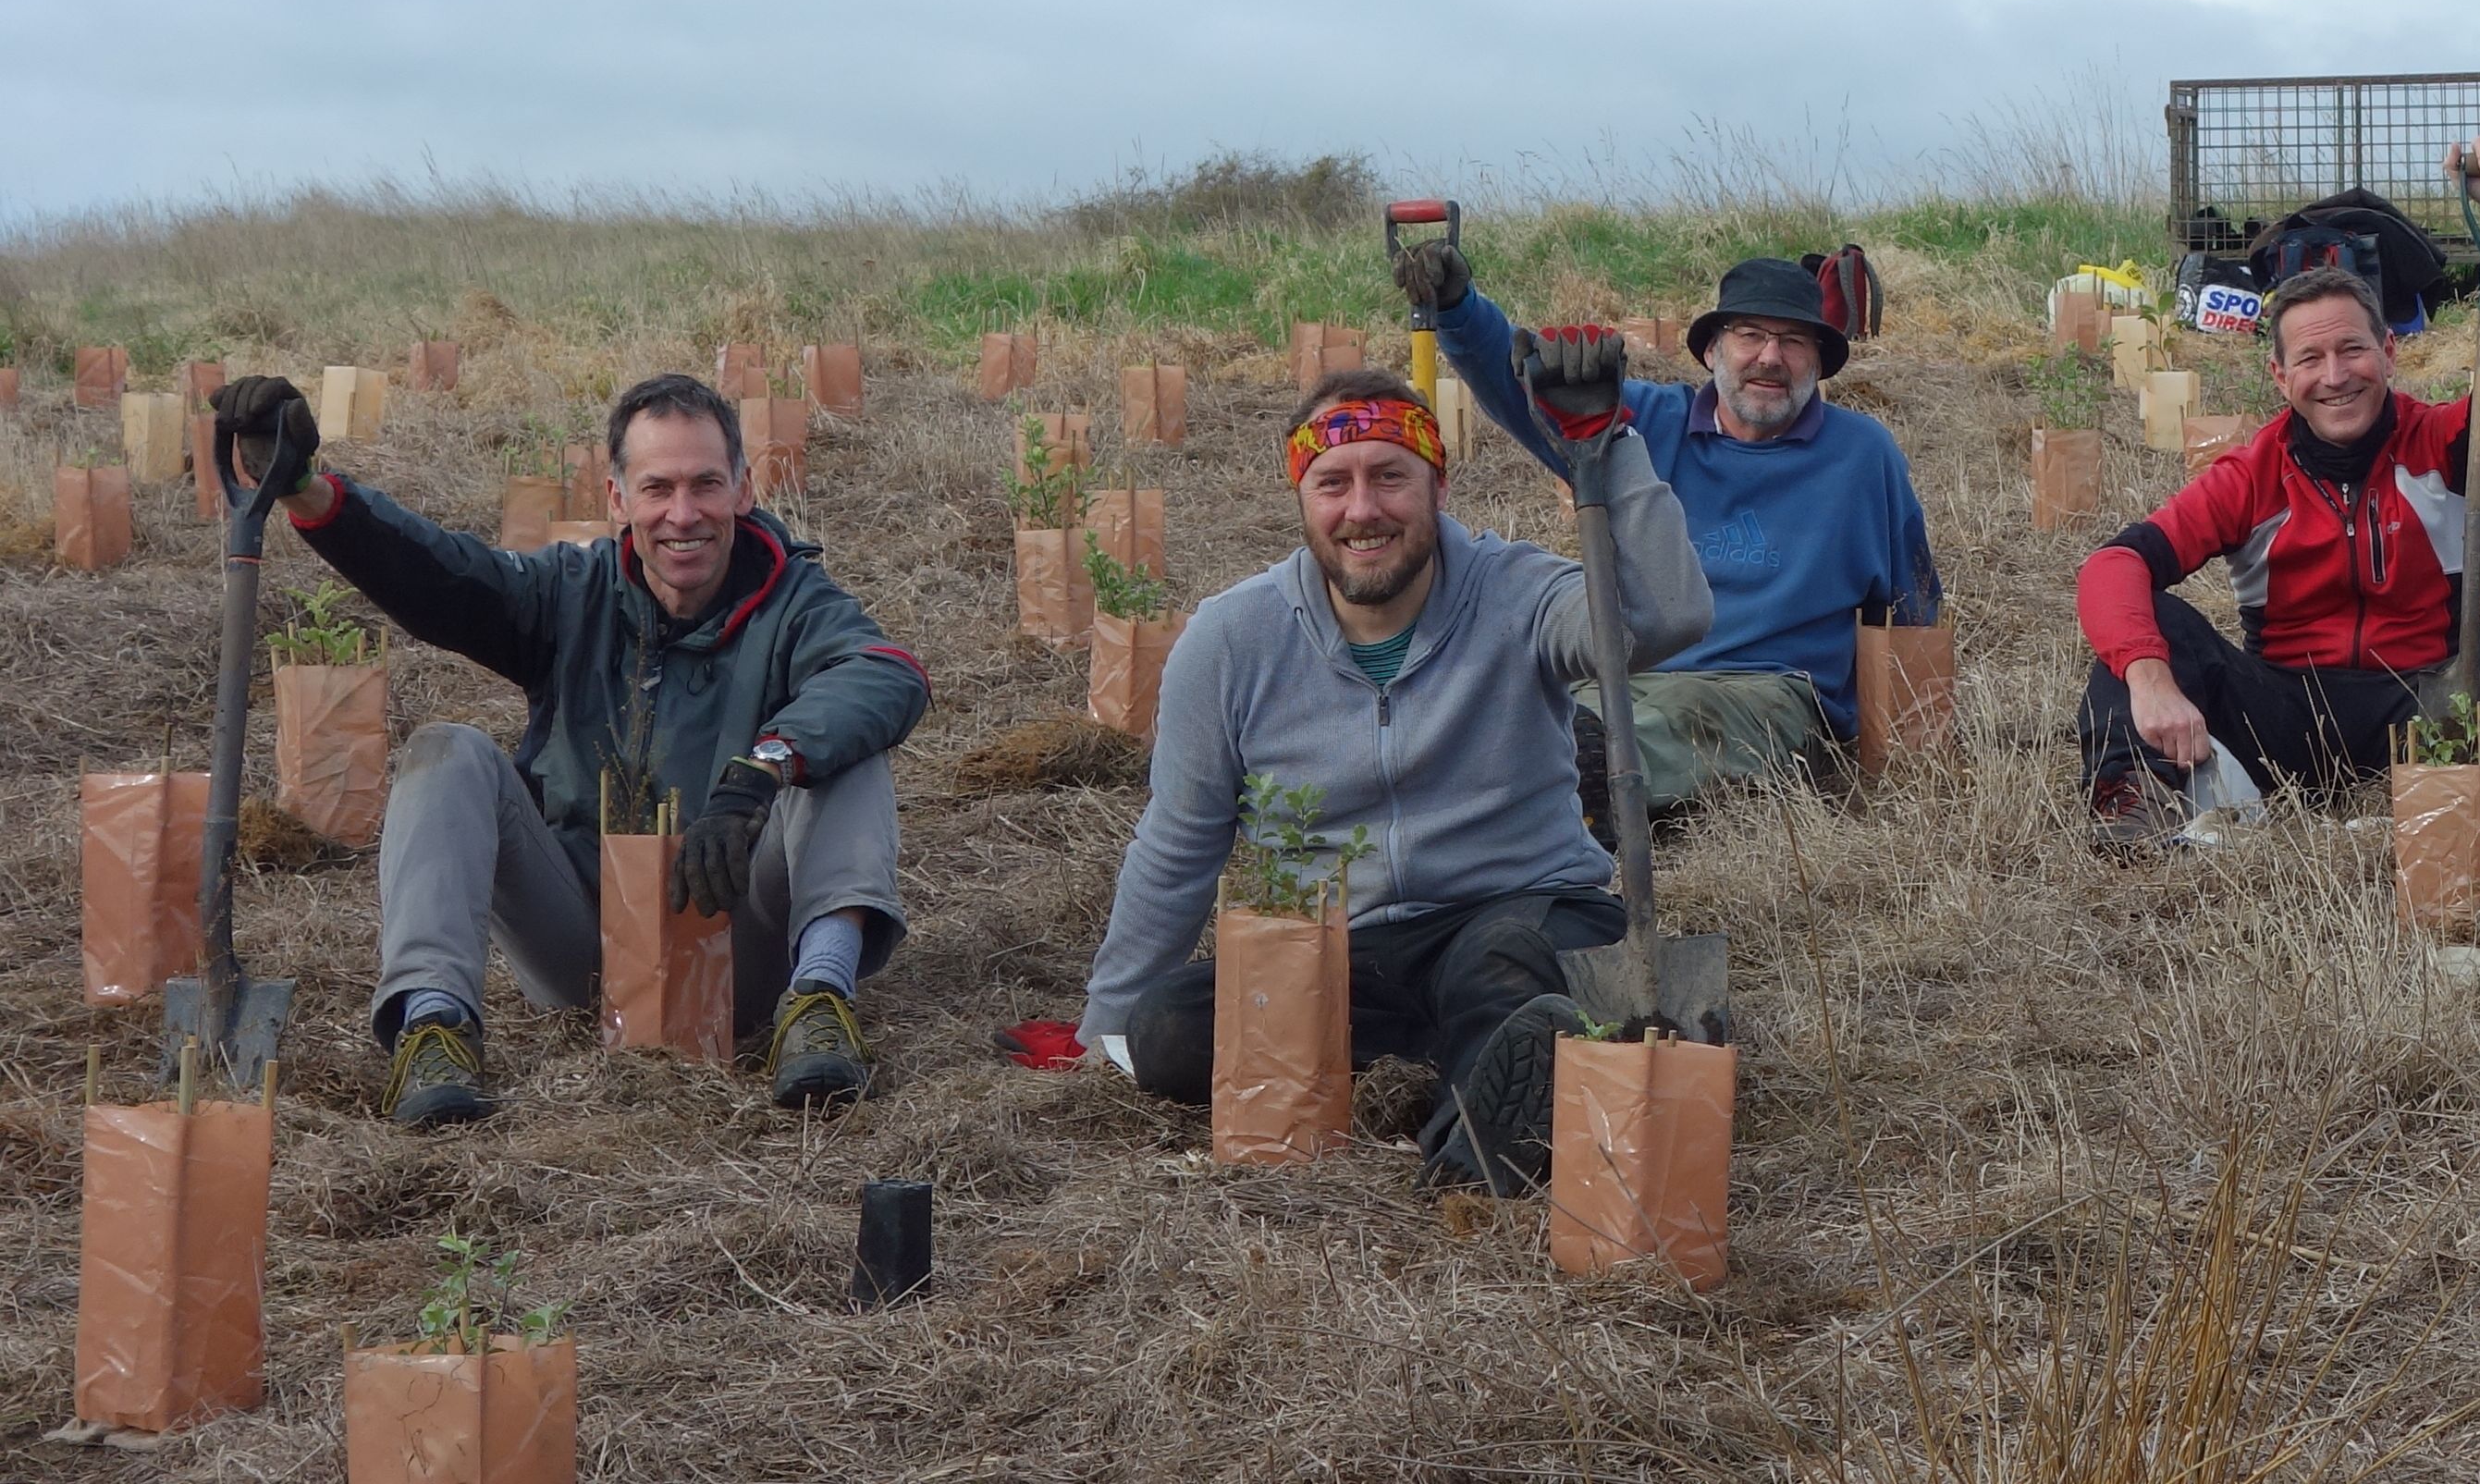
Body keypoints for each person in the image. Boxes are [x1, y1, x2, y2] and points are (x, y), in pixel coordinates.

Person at [211, 371, 927, 1126]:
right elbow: (442, 577)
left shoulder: (797, 602)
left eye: (705, 485)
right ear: (618, 501)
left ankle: (818, 1002)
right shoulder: (569, 592)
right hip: (581, 949)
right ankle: (432, 1027)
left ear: (744, 490)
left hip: (742, 952)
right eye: (656, 489)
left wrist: (760, 771)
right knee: (446, 752)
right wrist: (306, 491)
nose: (682, 515)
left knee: (843, 745)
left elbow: (887, 674)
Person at [1078, 349, 1712, 1191]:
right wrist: (1104, 1029)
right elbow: (1178, 842)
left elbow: (1667, 615)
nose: (1362, 509)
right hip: (1344, 951)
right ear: (1301, 498)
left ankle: (1481, 1144)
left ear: (1437, 487)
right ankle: (1476, 1064)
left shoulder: (1520, 593)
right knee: (1169, 1030)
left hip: (1517, 911)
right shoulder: (1230, 640)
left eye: (1390, 477)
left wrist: (1611, 443)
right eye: (1332, 482)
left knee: (1507, 969)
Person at [2071, 136, 2480, 841]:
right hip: (2283, 720)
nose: (2335, 374)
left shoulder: (2440, 446)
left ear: (2389, 352)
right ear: (2280, 380)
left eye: (2352, 348)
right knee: (2148, 632)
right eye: (2310, 358)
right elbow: (2115, 565)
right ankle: (2131, 798)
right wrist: (2148, 678)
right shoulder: (2249, 474)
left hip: (2427, 711)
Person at [1399, 248, 1939, 812]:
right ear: (1712, 350)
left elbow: (1911, 603)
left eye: (1795, 341)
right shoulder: (1644, 423)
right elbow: (1524, 386)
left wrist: (1905, 734)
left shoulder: (1861, 454)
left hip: (1768, 691)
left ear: (1819, 363)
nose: (1771, 357)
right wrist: (1459, 310)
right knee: (1525, 713)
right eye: (1750, 335)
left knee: (1660, 725)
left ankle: (1573, 789)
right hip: (1626, 671)